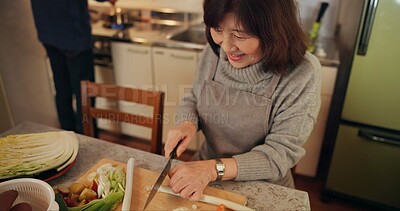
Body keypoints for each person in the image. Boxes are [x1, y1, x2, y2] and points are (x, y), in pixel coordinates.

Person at [164, 0, 322, 201]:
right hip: (203, 175)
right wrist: (187, 122)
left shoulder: (303, 72)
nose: (227, 47)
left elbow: (279, 153)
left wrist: (213, 169)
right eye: (218, 29)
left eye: (240, 34)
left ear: (273, 30)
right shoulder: (214, 51)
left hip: (262, 187)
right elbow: (194, 96)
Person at [30, 0, 116, 134]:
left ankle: (68, 141)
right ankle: (88, 142)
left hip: (48, 32)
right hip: (74, 36)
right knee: (85, 96)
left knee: (62, 90)